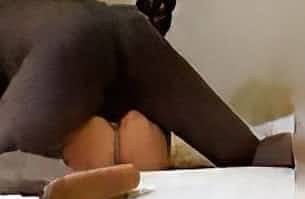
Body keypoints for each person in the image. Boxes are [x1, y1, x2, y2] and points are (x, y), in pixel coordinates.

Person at [0, 0, 287, 174]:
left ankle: (93, 167)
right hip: (123, 26)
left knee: (29, 143)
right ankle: (276, 150)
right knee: (249, 153)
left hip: (66, 47)